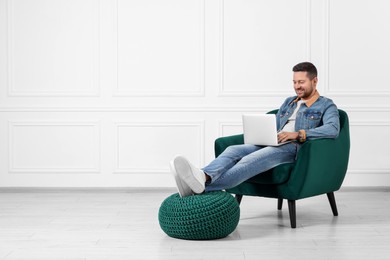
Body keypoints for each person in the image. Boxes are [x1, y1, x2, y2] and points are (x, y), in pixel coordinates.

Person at [170, 62, 340, 197]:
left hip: (295, 148)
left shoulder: (326, 105)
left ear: (314, 81)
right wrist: (265, 134)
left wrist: (298, 134)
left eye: (301, 82)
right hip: (274, 141)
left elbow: (332, 129)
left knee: (249, 161)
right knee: (233, 149)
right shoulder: (290, 101)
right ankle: (203, 176)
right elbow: (276, 125)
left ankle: (199, 187)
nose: (297, 86)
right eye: (294, 82)